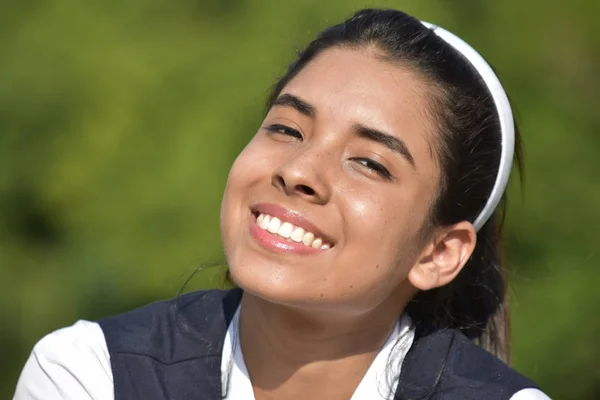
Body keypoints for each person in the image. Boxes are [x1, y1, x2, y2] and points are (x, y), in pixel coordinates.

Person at [14, 8, 551, 400]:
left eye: (369, 162)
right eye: (288, 128)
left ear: (439, 253)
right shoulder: (91, 375)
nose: (297, 172)